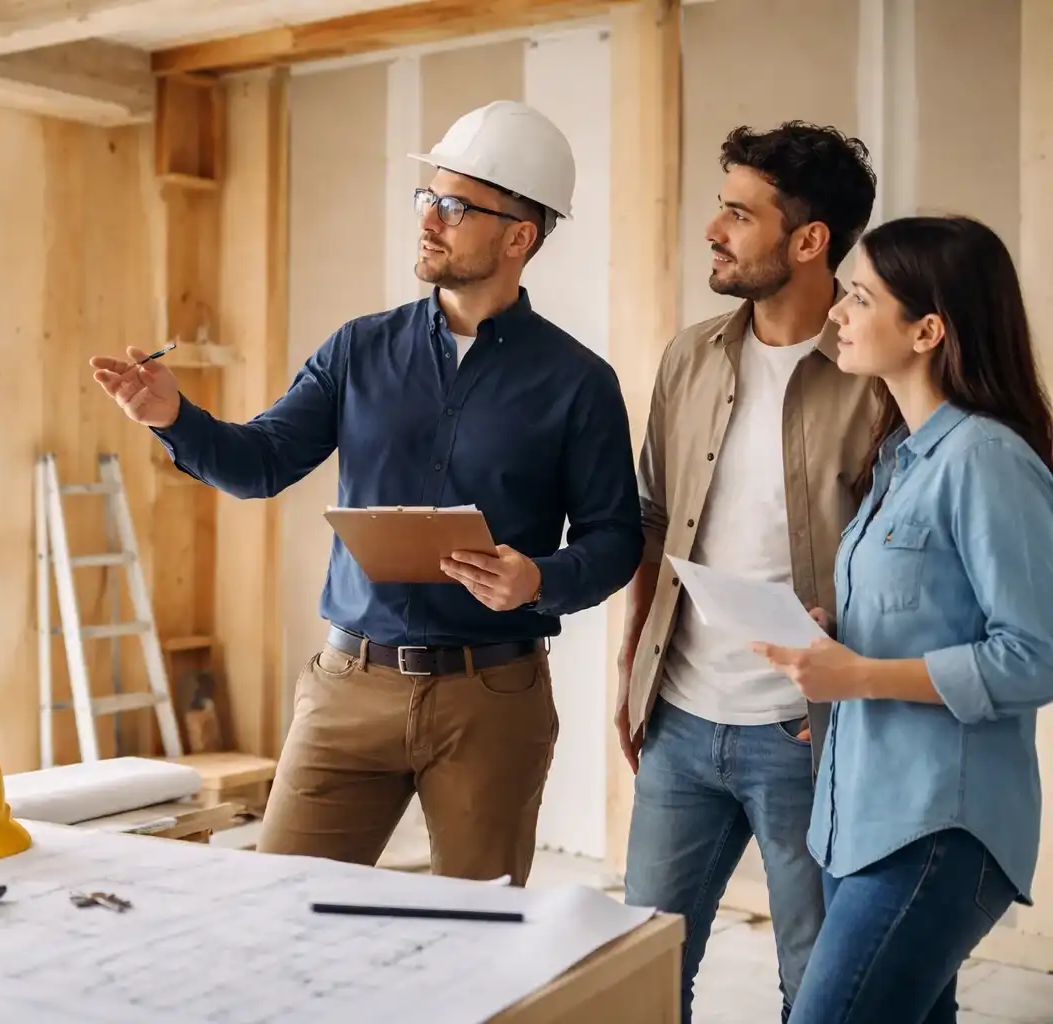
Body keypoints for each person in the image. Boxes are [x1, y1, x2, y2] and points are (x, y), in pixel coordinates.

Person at [89, 100, 642, 885]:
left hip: (493, 699)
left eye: (456, 206)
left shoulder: (579, 383)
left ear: (520, 236)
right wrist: (172, 416)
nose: (430, 220)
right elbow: (262, 464)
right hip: (349, 691)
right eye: (429, 199)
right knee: (282, 909)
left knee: (475, 939)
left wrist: (539, 579)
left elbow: (615, 538)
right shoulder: (359, 349)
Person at [750, 215, 1053, 1024]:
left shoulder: (986, 460)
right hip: (864, 817)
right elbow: (924, 622)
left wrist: (861, 675)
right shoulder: (899, 458)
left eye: (858, 297)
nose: (837, 315)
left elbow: (1034, 657)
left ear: (927, 330)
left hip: (937, 832)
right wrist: (841, 649)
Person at [615, 121, 879, 1022]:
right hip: (681, 725)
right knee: (641, 973)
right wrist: (630, 662)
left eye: (738, 212)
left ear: (808, 242)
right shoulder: (691, 354)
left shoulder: (878, 374)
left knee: (818, 987)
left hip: (808, 737)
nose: (712, 230)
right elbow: (653, 519)